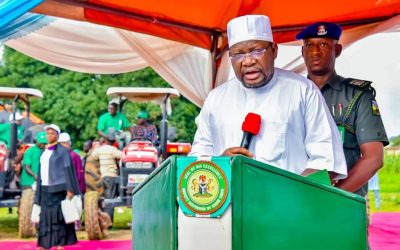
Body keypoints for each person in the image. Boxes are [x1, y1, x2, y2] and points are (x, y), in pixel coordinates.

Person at [189, 15, 347, 180]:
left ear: (274, 50)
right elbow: (196, 162)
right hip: (232, 204)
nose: (248, 61)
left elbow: (327, 162)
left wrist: (286, 194)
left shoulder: (303, 91)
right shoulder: (216, 99)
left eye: (257, 51)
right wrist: (220, 164)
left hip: (286, 203)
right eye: (238, 54)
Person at [297, 22, 389, 195]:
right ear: (302, 52)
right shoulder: (290, 94)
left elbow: (373, 158)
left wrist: (335, 196)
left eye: (324, 44)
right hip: (296, 200)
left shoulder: (357, 95)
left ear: (337, 50)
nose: (315, 51)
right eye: (309, 45)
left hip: (344, 202)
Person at [34, 124, 81, 250]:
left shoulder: (63, 152)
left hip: (59, 189)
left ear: (57, 136)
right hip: (45, 189)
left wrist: (70, 189)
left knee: (59, 218)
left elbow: (68, 170)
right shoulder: (44, 152)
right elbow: (41, 172)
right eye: (47, 133)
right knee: (45, 218)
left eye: (52, 133)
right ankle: (45, 244)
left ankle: (60, 244)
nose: (49, 136)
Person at [91, 133, 123, 199]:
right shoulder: (113, 149)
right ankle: (109, 208)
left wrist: (97, 146)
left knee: (106, 195)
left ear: (105, 141)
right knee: (111, 196)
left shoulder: (100, 149)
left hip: (104, 175)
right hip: (111, 175)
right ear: (114, 141)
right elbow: (122, 155)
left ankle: (106, 208)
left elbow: (94, 156)